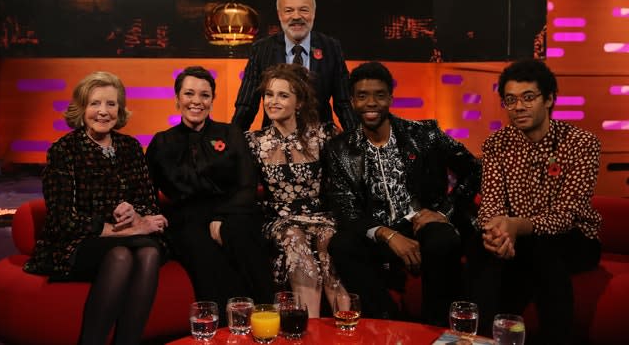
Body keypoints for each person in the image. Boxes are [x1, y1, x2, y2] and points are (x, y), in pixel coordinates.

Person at [324, 62, 481, 326]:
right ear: (352, 101)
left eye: (379, 95)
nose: (371, 103)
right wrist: (388, 234)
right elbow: (346, 209)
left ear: (390, 98)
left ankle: (435, 325)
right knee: (341, 244)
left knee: (441, 239)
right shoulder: (339, 149)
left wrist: (444, 212)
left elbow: (474, 170)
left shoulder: (425, 134)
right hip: (379, 231)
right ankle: (390, 322)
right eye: (362, 96)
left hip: (423, 223)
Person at [23, 71, 168, 345]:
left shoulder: (131, 147)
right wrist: (123, 229)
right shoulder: (64, 150)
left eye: (111, 104)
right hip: (76, 242)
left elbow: (149, 201)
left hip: (132, 238)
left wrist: (136, 213)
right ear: (82, 108)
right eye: (95, 104)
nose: (103, 112)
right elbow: (61, 219)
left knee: (150, 252)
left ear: (120, 109)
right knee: (121, 255)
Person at [468, 59, 601, 344]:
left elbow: (567, 214)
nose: (518, 107)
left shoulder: (581, 144)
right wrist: (497, 231)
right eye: (510, 100)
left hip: (574, 237)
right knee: (483, 251)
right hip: (516, 238)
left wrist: (518, 226)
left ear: (550, 98)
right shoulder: (496, 144)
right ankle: (478, 339)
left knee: (544, 252)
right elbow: (491, 203)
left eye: (528, 98)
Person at [146, 66, 274, 325]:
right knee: (200, 246)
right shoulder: (162, 142)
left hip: (233, 209)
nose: (196, 101)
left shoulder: (231, 133)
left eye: (204, 95)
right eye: (189, 94)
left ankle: (267, 316)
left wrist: (220, 217)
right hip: (186, 218)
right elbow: (146, 189)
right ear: (177, 99)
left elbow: (247, 184)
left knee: (238, 233)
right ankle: (228, 328)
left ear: (212, 100)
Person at [245, 63, 344, 318]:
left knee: (327, 241)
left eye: (283, 95)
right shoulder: (254, 142)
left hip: (321, 215)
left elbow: (344, 184)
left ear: (299, 102)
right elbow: (242, 190)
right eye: (269, 94)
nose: (272, 101)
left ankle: (346, 328)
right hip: (280, 219)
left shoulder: (324, 135)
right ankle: (310, 326)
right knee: (295, 238)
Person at [231, 0, 357, 132]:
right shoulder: (261, 49)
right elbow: (247, 105)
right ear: (279, 15)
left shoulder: (331, 48)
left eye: (304, 10)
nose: (296, 16)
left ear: (314, 13)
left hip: (322, 143)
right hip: (273, 143)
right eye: (289, 10)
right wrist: (233, 141)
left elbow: (343, 103)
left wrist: (357, 140)